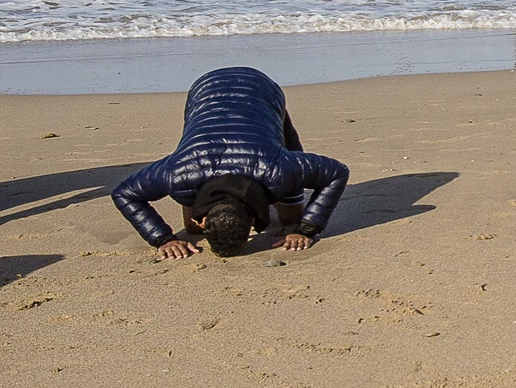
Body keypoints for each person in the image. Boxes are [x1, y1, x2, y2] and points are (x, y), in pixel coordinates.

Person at [111, 67, 349, 258]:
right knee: (190, 227)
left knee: (291, 218)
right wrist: (163, 238)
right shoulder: (180, 172)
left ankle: (287, 194)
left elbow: (337, 173)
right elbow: (125, 194)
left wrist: (306, 228)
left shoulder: (277, 169)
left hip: (261, 90)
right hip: (205, 90)